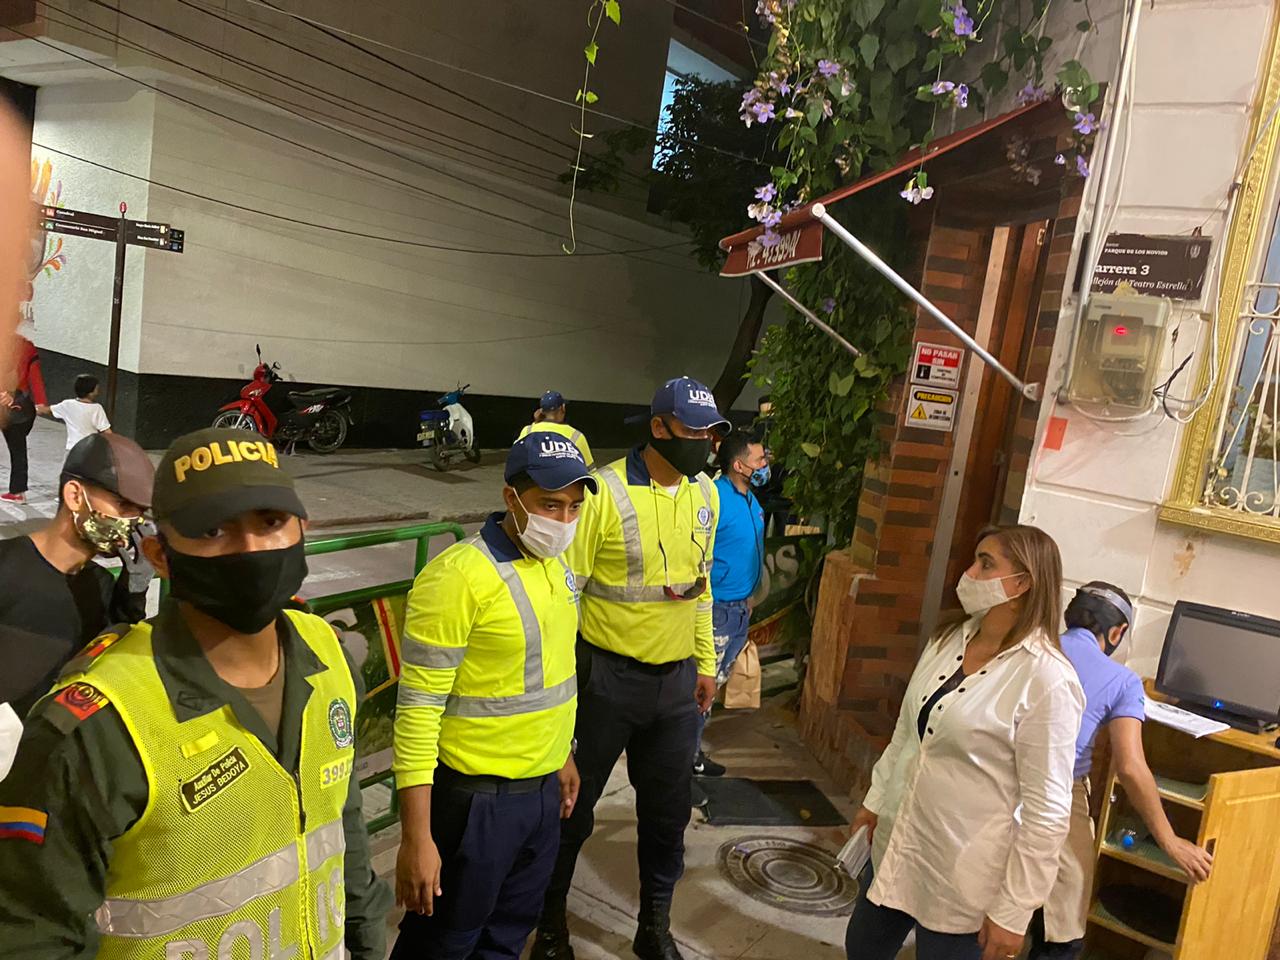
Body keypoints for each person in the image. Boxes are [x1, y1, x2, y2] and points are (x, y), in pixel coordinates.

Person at [0, 426, 391, 959]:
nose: (250, 550)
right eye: (213, 530)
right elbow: (34, 934)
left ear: (303, 527)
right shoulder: (94, 729)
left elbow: (344, 826)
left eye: (271, 522)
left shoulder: (327, 655)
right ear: (160, 555)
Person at [530, 375, 728, 960]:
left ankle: (653, 927)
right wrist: (561, 693)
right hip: (605, 683)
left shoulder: (706, 494)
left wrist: (706, 663)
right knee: (570, 813)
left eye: (710, 433)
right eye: (692, 431)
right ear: (658, 427)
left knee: (667, 818)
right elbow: (565, 598)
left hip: (675, 687)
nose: (702, 443)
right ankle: (550, 928)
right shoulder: (605, 494)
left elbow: (700, 587)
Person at [391, 432, 596, 960]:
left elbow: (550, 679)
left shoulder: (556, 568)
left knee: (507, 936)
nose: (564, 520)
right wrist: (416, 836)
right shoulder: (457, 578)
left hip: (541, 796)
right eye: (550, 505)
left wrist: (562, 755)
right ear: (511, 498)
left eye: (574, 507)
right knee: (444, 943)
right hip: (476, 804)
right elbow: (417, 712)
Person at [845, 525, 1085, 960]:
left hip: (960, 874)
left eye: (986, 564)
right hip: (898, 840)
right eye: (975, 560)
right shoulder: (948, 639)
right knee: (862, 948)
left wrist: (1014, 910)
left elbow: (1047, 812)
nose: (970, 573)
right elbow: (907, 733)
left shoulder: (1047, 678)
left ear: (1022, 583)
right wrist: (876, 801)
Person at [1028, 582, 1213, 960]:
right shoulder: (1123, 681)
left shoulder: (1031, 647)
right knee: (1064, 925)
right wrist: (1170, 841)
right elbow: (1130, 766)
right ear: (1117, 633)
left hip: (994, 784)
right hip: (1057, 795)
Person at [0, 433, 154, 718]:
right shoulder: (6, 566)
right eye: (124, 506)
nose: (134, 522)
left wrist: (132, 596)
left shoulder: (101, 585)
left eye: (141, 512)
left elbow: (110, 663)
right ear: (74, 496)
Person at [692, 429, 767, 782]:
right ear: (739, 465)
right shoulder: (714, 498)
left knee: (715, 684)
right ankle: (685, 759)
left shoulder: (751, 501)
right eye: (759, 459)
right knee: (701, 686)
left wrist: (749, 597)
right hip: (717, 609)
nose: (765, 465)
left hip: (739, 608)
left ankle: (690, 752)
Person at [1, 334, 47, 503]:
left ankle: (18, 492)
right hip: (23, 408)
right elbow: (35, 377)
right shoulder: (27, 348)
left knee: (17, 449)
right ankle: (18, 492)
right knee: (18, 451)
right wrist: (41, 402)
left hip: (9, 406)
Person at [519, 391, 592, 467]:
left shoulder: (528, 431)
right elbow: (590, 470)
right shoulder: (576, 436)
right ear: (562, 408)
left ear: (541, 411)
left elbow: (516, 460)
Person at [49, 373, 110, 451]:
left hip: (72, 448)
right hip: (89, 449)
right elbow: (106, 430)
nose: (98, 393)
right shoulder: (97, 408)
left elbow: (48, 410)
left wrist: (37, 408)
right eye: (97, 390)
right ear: (90, 392)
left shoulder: (67, 404)